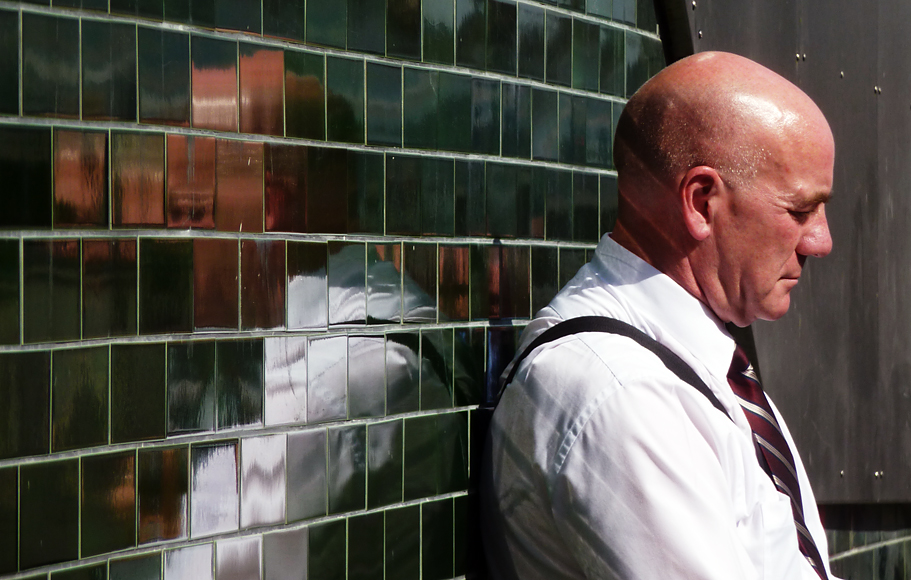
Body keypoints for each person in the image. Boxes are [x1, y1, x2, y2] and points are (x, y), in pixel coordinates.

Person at [481, 51, 837, 580]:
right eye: (800, 210)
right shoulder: (621, 392)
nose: (821, 241)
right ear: (700, 201)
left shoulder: (674, 365)